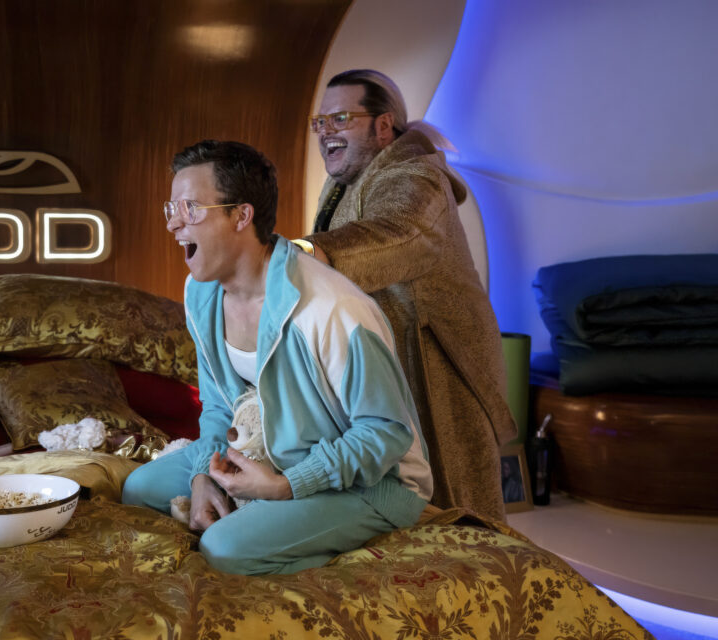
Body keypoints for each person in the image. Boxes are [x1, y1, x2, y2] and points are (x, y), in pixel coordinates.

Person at [122, 140, 433, 575]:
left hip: (373, 482)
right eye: (171, 209)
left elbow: (385, 433)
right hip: (267, 454)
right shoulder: (201, 293)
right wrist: (203, 476)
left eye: (190, 208)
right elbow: (218, 405)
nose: (174, 224)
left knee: (224, 549)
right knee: (139, 489)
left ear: (241, 216)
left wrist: (287, 486)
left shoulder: (333, 310)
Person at [302, 69, 516, 522]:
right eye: (320, 122)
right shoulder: (343, 184)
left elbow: (398, 235)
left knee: (462, 515)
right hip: (387, 368)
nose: (325, 132)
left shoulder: (417, 176)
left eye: (340, 118)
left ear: (384, 126)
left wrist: (295, 253)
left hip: (438, 367)